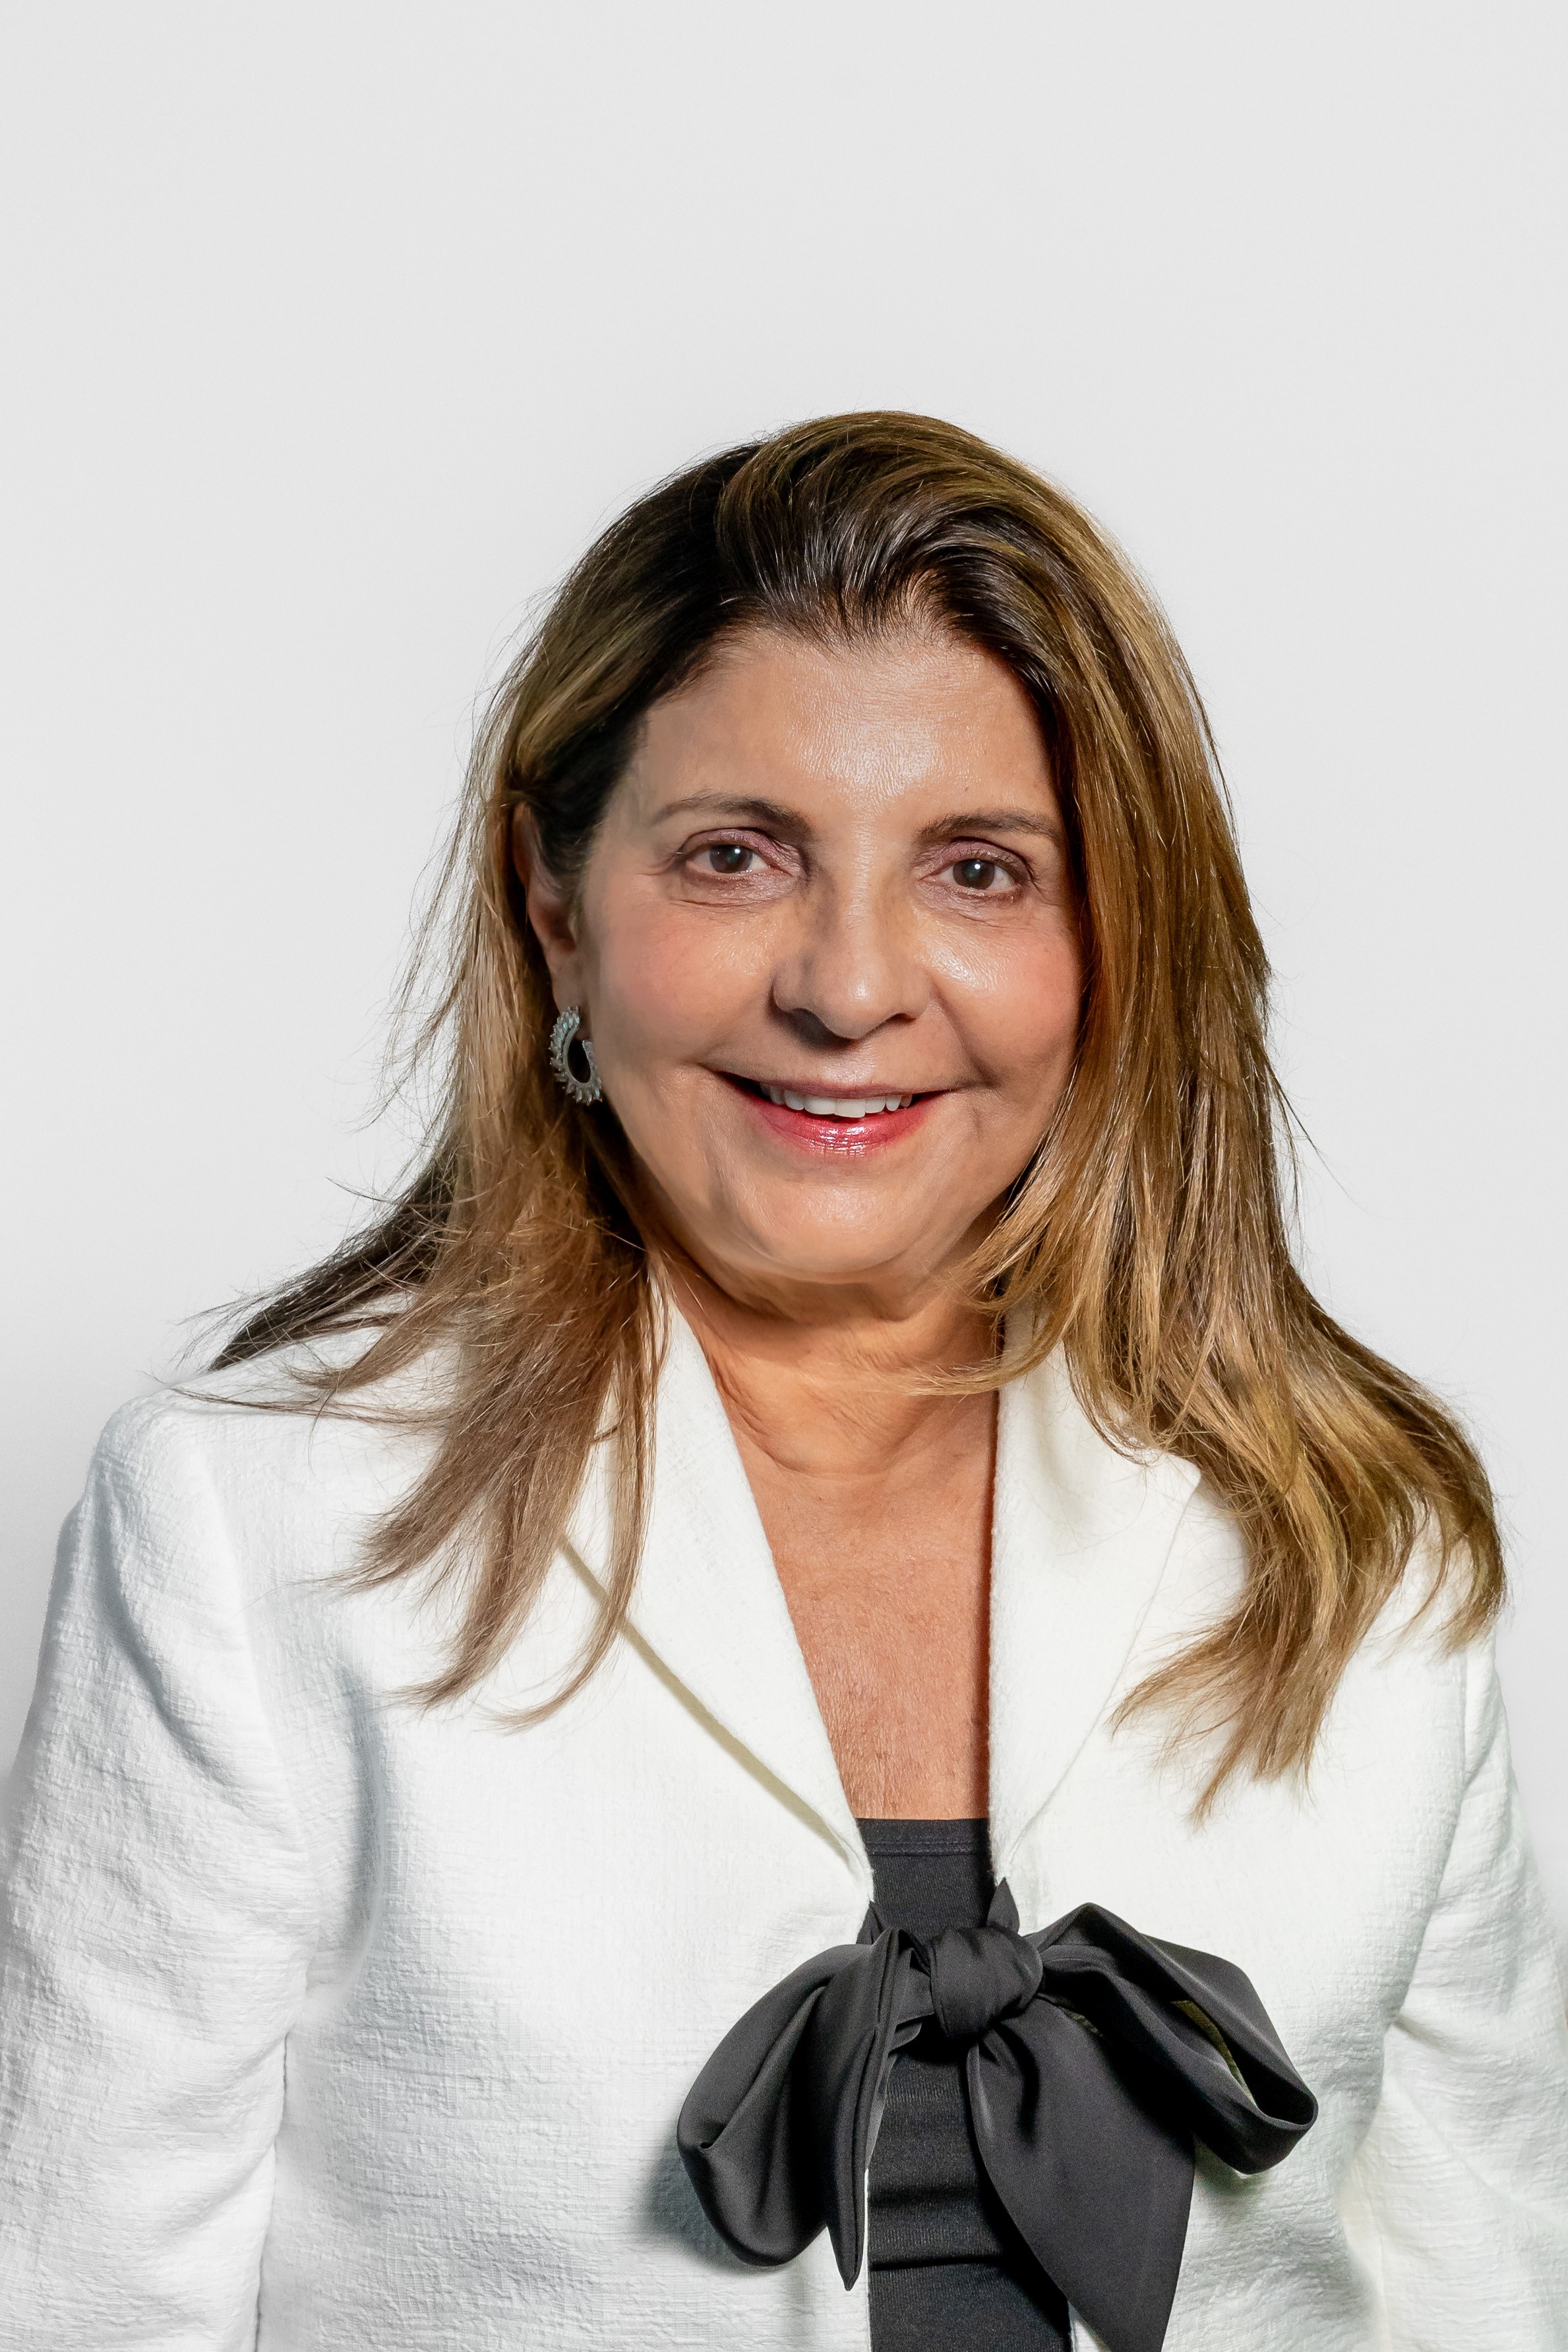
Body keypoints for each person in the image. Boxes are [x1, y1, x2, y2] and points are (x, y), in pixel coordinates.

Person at [2, 413, 1565, 2352]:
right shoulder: (254, 1523)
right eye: (735, 857)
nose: (846, 986)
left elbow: (1488, 2292)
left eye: (980, 870)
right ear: (555, 905)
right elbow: (83, 2304)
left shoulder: (1357, 1541)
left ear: (1119, 942)